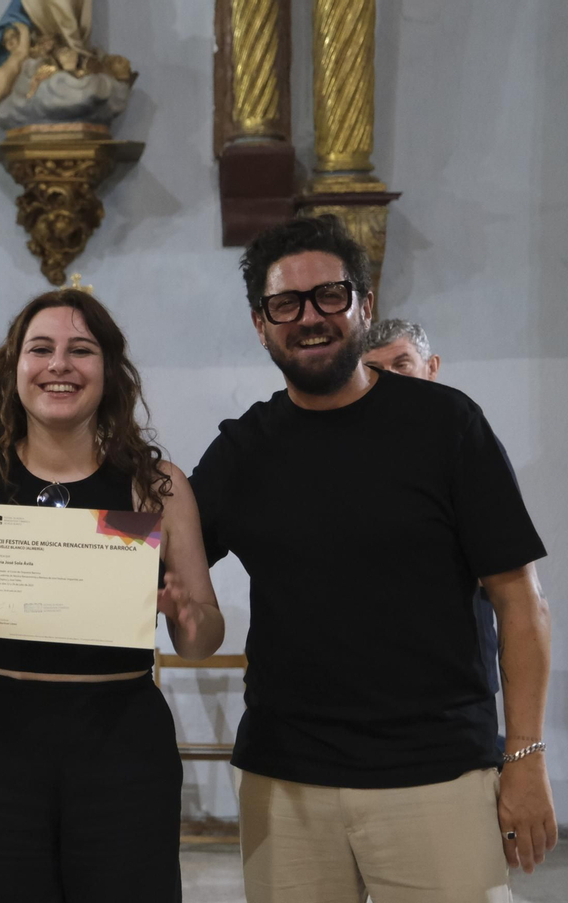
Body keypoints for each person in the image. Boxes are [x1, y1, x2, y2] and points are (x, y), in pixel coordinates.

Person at [191, 215, 555, 902]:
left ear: (363, 302)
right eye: (285, 304)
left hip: (436, 773)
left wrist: (526, 757)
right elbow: (153, 561)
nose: (310, 317)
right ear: (260, 324)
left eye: (329, 295)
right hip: (287, 778)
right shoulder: (244, 450)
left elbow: (520, 601)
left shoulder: (447, 425)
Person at [0, 289, 224, 900]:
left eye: (81, 350)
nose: (60, 365)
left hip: (122, 739)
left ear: (109, 372)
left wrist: (189, 614)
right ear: (14, 368)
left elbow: (203, 639)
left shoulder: (157, 487)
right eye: (41, 349)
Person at [365, 319, 503, 704]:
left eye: (402, 364)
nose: (390, 379)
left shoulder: (465, 438)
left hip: (457, 673)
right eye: (376, 370)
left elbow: (502, 563)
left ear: (432, 367)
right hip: (372, 669)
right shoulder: (347, 454)